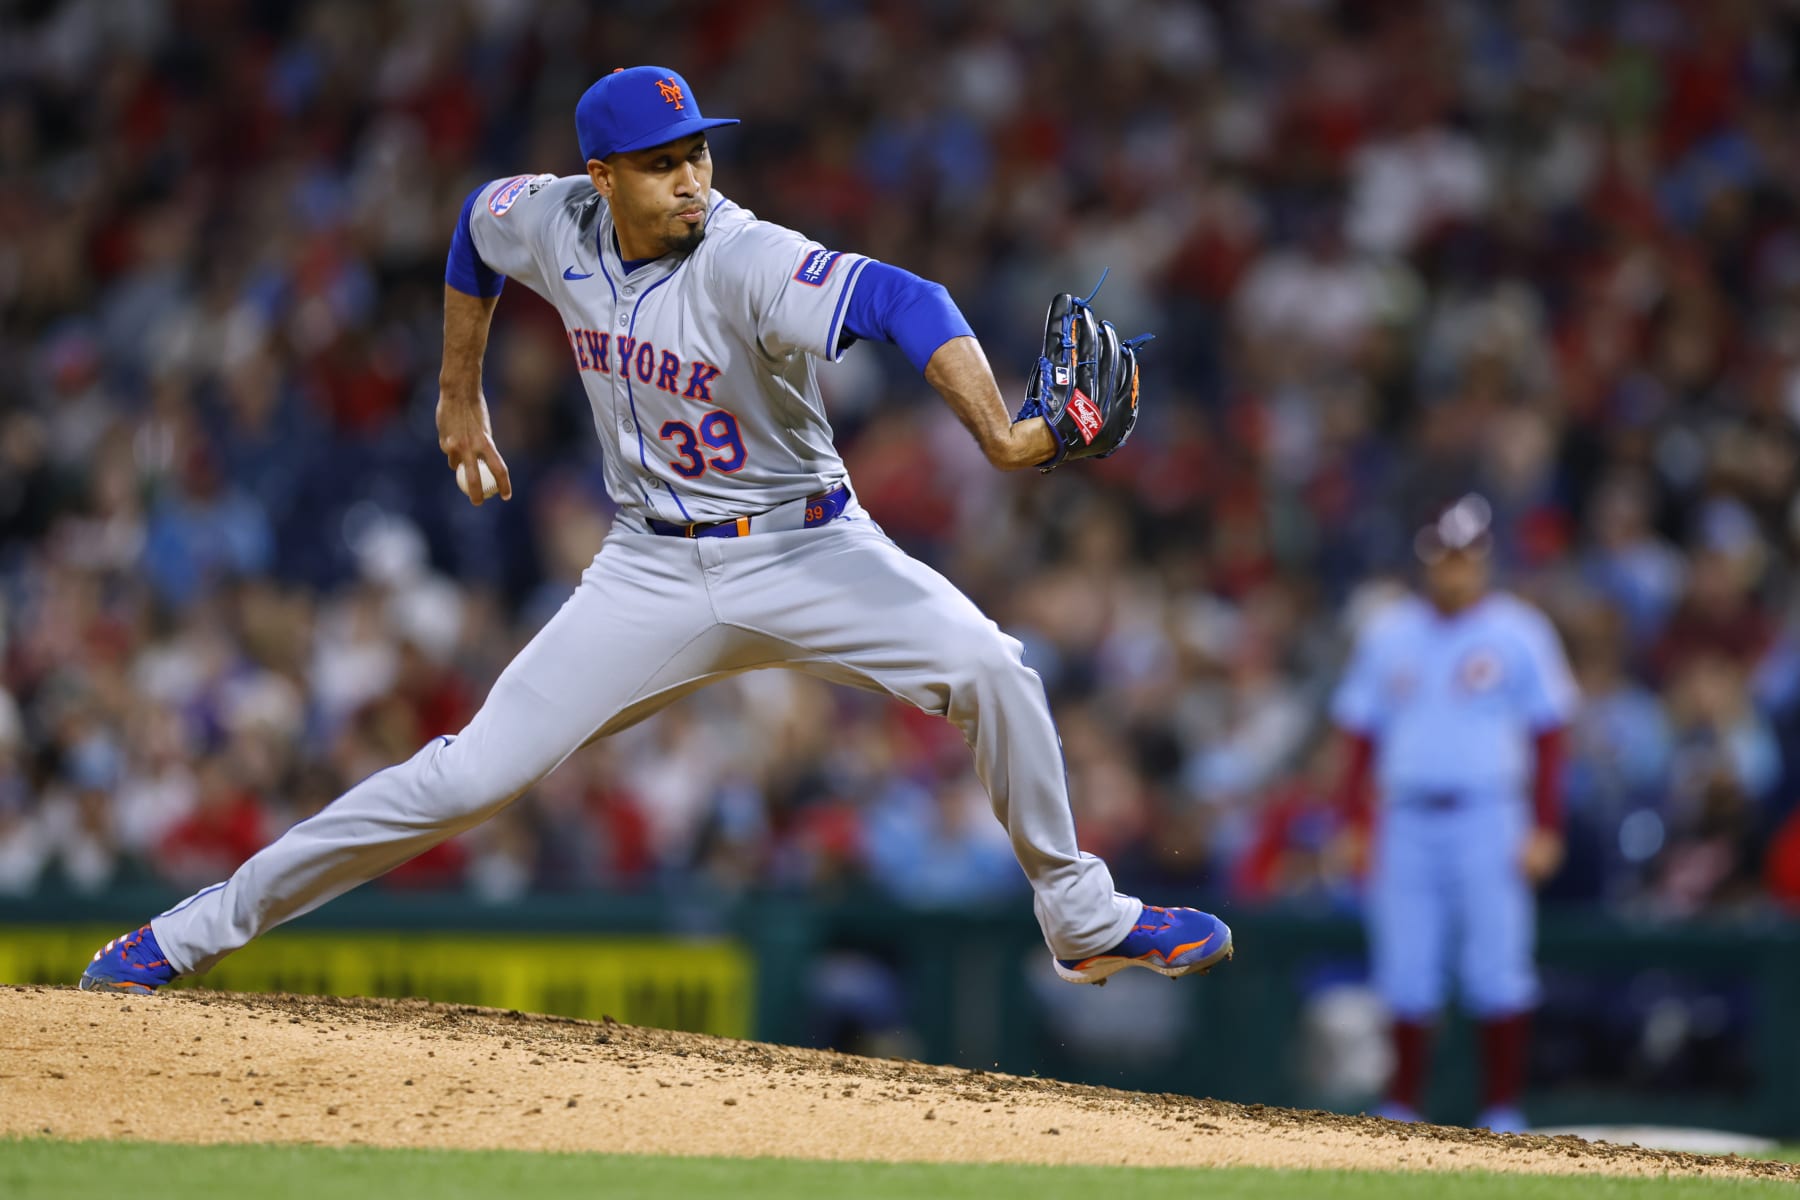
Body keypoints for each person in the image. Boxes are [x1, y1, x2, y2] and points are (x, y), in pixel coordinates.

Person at [79, 67, 1232, 995]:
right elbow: (473, 236)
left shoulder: (745, 255)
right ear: (601, 176)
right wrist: (457, 390)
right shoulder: (552, 218)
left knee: (994, 666)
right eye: (662, 163)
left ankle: (1083, 918)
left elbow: (904, 299)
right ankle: (185, 939)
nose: (691, 180)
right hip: (649, 570)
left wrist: (1003, 432)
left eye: (698, 154)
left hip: (809, 549)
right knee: (462, 780)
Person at [1331, 495, 1577, 1132]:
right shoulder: (1389, 632)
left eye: (1465, 558)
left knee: (1498, 965)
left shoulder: (1519, 631)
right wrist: (1350, 824)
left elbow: (1551, 737)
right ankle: (1402, 1106)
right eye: (1443, 558)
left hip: (1491, 815)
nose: (1454, 570)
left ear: (1485, 560)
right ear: (1425, 561)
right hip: (1405, 817)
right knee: (1406, 967)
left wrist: (1547, 825)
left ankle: (1502, 1110)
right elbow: (1359, 739)